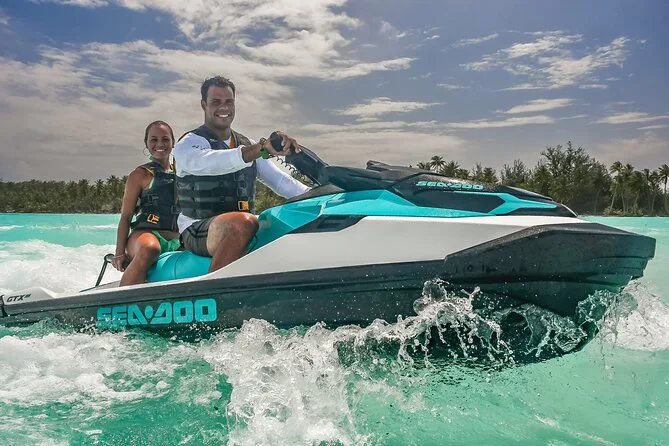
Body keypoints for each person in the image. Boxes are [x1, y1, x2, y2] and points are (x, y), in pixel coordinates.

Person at [173, 76, 309, 272]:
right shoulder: (188, 144)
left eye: (229, 102)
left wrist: (327, 195)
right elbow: (211, 162)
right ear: (204, 105)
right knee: (241, 223)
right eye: (216, 102)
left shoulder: (246, 143)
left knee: (284, 220)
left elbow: (282, 182)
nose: (224, 107)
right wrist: (260, 149)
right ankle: (217, 287)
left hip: (242, 223)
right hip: (197, 227)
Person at [112, 121, 181, 286]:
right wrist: (119, 252)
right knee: (150, 248)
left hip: (177, 238)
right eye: (154, 140)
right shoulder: (139, 175)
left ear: (173, 142)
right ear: (146, 143)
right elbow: (126, 216)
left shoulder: (183, 174)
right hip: (145, 235)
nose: (160, 144)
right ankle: (123, 296)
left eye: (165, 139)